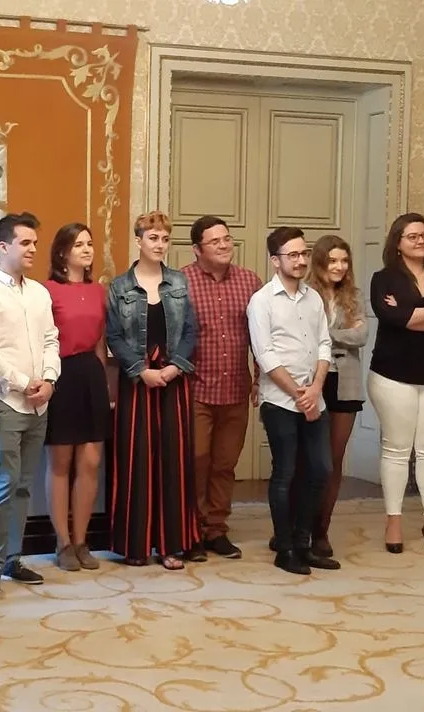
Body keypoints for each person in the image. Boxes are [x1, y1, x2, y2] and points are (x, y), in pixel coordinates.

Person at [0, 212, 60, 596]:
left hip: (39, 403)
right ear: (3, 246)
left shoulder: (39, 293)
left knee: (23, 485)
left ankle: (12, 559)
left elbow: (51, 339)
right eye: (25, 243)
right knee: (3, 483)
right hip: (2, 401)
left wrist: (49, 380)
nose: (33, 248)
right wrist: (24, 383)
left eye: (35, 242)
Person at [106, 210, 199, 570]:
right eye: (153, 238)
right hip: (137, 381)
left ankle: (172, 545)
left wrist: (175, 367)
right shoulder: (119, 286)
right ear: (139, 241)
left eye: (165, 239)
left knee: (174, 461)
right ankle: (136, 544)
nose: (160, 245)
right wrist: (140, 370)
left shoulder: (179, 282)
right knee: (137, 461)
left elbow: (190, 331)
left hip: (174, 380)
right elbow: (114, 336)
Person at [367, 213, 424, 556]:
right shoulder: (383, 279)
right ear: (397, 243)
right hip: (393, 374)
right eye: (412, 236)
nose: (421, 241)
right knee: (396, 449)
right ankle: (393, 522)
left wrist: (411, 313)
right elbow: (391, 317)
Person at [246, 226, 339, 575]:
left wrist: (315, 389)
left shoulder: (313, 298)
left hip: (315, 398)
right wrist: (298, 393)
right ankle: (284, 549)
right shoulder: (261, 301)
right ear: (275, 260)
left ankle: (304, 543)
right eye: (293, 255)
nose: (301, 261)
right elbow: (265, 354)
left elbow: (324, 343)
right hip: (280, 402)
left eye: (304, 253)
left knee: (321, 469)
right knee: (285, 472)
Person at [181, 216, 262, 561]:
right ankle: (192, 529)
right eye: (215, 241)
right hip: (196, 390)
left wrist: (259, 378)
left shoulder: (249, 281)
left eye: (227, 239)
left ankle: (216, 528)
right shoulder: (180, 282)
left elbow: (262, 335)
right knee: (197, 460)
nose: (224, 245)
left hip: (235, 390)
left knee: (225, 463)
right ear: (197, 249)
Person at [43, 223, 109, 572]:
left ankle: (82, 541)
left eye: (89, 243)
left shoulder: (98, 291)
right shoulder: (47, 290)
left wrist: (104, 384)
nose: (86, 249)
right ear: (62, 252)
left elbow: (100, 342)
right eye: (78, 244)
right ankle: (63, 541)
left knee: (90, 462)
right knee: (61, 462)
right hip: (61, 374)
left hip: (91, 375)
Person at [298, 235, 368, 558]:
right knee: (309, 459)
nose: (339, 267)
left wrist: (327, 336)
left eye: (344, 261)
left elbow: (362, 334)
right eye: (333, 260)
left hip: (346, 382)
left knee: (334, 460)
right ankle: (296, 527)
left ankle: (321, 530)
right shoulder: (304, 294)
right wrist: (338, 337)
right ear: (319, 262)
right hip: (313, 379)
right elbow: (304, 339)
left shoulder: (353, 296)